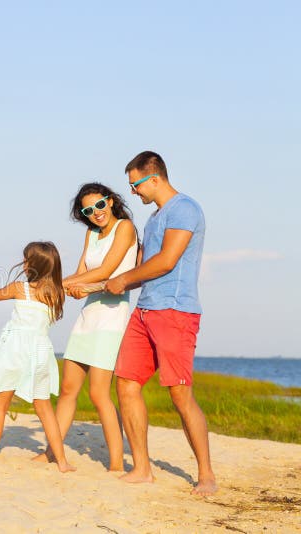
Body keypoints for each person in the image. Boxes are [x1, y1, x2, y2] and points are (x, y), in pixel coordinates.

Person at [106, 151, 217, 495]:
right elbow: (140, 271)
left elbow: (167, 262)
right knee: (125, 383)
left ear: (154, 178)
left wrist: (122, 280)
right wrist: (100, 285)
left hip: (175, 311)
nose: (133, 192)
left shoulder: (185, 209)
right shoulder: (153, 220)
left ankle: (206, 475)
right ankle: (142, 468)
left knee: (180, 394)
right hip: (146, 310)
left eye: (135, 184)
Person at [35, 183, 138, 471]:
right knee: (68, 388)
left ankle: (117, 464)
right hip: (88, 316)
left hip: (111, 317)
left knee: (98, 394)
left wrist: (55, 284)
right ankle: (51, 452)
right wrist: (72, 287)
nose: (96, 213)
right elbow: (82, 273)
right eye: (88, 210)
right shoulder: (91, 234)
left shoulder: (125, 227)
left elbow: (106, 271)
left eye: (100, 205)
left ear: (111, 200)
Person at [0, 242, 76, 472]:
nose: (23, 264)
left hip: (15, 349)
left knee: (0, 405)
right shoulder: (56, 293)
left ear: (32, 265)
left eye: (26, 260)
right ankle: (62, 461)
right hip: (40, 351)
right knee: (44, 408)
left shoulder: (19, 288)